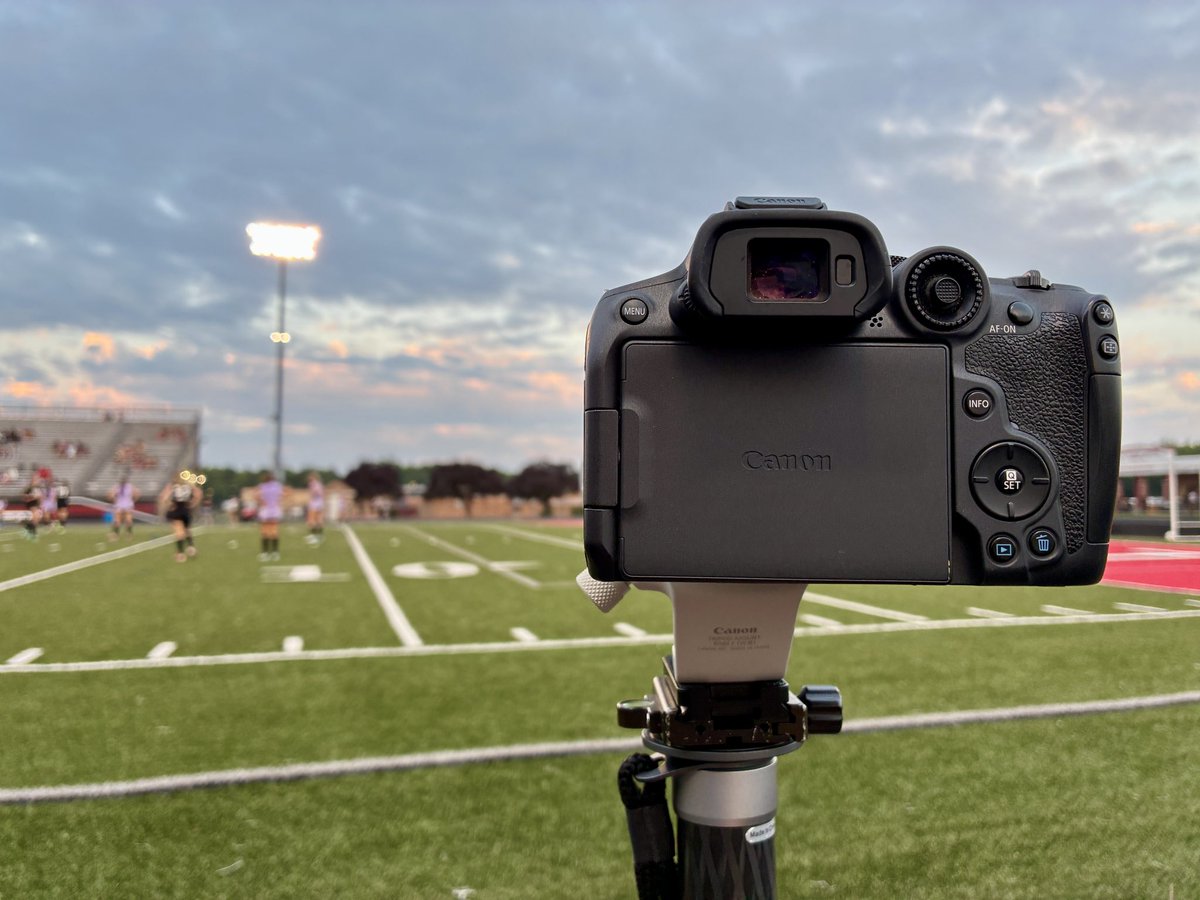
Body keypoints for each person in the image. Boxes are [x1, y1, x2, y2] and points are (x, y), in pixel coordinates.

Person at [160, 475, 201, 562]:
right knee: (187, 530)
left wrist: (169, 504)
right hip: (186, 510)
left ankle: (180, 554)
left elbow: (165, 498)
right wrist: (193, 504)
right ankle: (191, 547)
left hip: (177, 510)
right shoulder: (189, 486)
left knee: (179, 532)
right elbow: (198, 494)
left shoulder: (173, 486)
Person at [255, 470, 285, 561]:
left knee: (265, 533)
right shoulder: (277, 486)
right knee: (274, 532)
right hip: (275, 510)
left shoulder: (262, 486)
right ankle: (275, 553)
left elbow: (256, 496)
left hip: (265, 511)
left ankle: (265, 553)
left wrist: (261, 502)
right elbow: (283, 494)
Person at [109, 476, 139, 541]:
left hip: (127, 506)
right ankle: (116, 535)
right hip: (119, 506)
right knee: (117, 521)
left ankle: (128, 535)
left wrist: (132, 501)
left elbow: (137, 494)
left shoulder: (130, 487)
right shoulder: (117, 487)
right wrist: (114, 500)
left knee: (128, 521)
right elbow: (110, 495)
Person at [305, 471, 325, 545]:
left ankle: (314, 535)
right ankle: (318, 535)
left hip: (315, 504)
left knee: (312, 520)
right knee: (317, 520)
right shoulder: (317, 484)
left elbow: (317, 493)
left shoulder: (314, 484)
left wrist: (314, 493)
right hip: (319, 503)